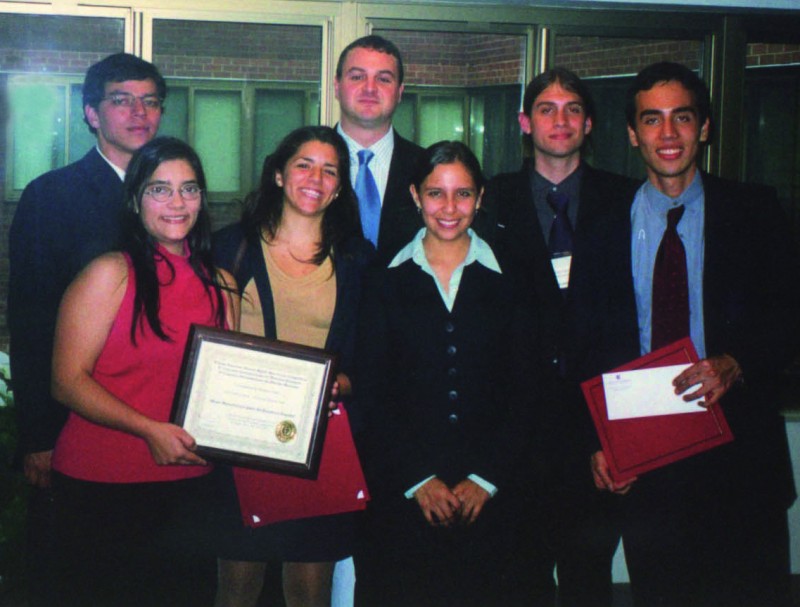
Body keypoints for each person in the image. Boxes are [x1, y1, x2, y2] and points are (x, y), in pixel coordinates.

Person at [571, 62, 799, 607]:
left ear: (705, 128)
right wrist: (595, 441)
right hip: (650, 466)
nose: (667, 134)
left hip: (742, 461)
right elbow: (581, 341)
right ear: (632, 134)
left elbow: (791, 317)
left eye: (682, 118)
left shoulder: (755, 211)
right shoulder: (602, 225)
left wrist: (736, 361)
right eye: (652, 120)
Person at [48, 136, 237, 606]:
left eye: (189, 189)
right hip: (103, 489)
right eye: (160, 189)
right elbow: (66, 381)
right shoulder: (109, 273)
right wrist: (148, 430)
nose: (177, 202)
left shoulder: (223, 284)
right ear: (135, 200)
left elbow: (231, 383)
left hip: (191, 489)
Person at [7, 51, 165, 605]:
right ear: (92, 113)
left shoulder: (175, 197)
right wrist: (37, 438)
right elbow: (28, 324)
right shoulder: (51, 197)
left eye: (149, 102)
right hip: (73, 427)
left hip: (156, 431)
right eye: (122, 100)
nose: (138, 113)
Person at [352, 141, 538, 607]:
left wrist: (487, 478)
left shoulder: (515, 278)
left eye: (463, 194)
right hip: (404, 495)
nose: (449, 208)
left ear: (480, 197)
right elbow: (372, 393)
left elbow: (530, 389)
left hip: (496, 496)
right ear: (415, 196)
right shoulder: (383, 279)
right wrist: (419, 479)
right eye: (436, 194)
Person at [482, 68, 640, 606]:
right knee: (514, 580)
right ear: (525, 123)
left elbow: (633, 324)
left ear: (589, 123)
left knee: (587, 580)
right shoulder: (488, 203)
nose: (560, 119)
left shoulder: (628, 201)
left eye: (573, 108)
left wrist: (618, 436)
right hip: (513, 432)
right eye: (546, 109)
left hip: (595, 435)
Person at [212, 125, 373, 607]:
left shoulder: (357, 257)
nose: (315, 178)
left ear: (341, 186)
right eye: (304, 164)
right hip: (240, 443)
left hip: (321, 443)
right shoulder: (229, 247)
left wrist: (342, 382)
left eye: (330, 170)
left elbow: (374, 353)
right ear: (279, 174)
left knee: (310, 592)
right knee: (237, 589)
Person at [334, 34, 424, 264]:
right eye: (357, 77)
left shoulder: (427, 169)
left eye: (383, 79)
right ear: (337, 86)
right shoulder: (297, 168)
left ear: (400, 92)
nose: (370, 88)